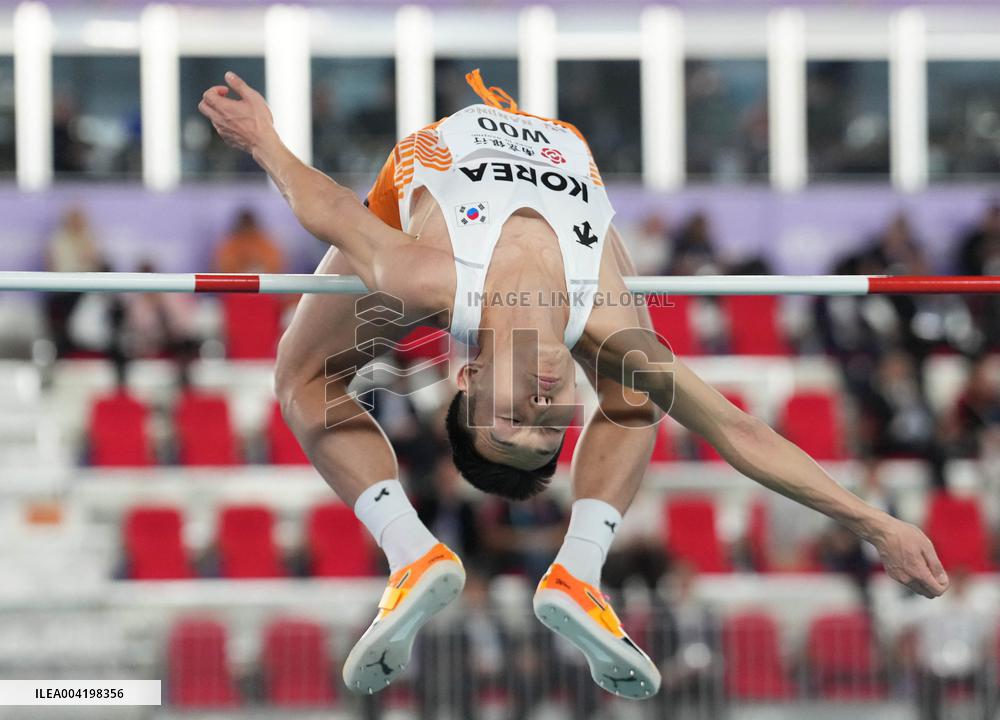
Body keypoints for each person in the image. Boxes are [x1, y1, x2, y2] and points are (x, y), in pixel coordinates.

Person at [199, 68, 949, 699]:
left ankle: (413, 553)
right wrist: (876, 523)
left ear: (467, 375)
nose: (539, 409)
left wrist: (264, 139)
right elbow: (739, 431)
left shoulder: (422, 276)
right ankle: (578, 574)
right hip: (565, 189)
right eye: (548, 428)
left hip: (415, 193)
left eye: (509, 423)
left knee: (300, 377)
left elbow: (327, 208)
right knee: (639, 389)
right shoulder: (611, 321)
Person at [214, 208, 284, 274]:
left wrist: (258, 268)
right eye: (245, 225)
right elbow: (224, 264)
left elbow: (275, 263)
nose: (247, 229)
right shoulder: (231, 243)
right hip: (236, 283)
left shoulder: (264, 242)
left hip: (263, 282)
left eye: (249, 225)